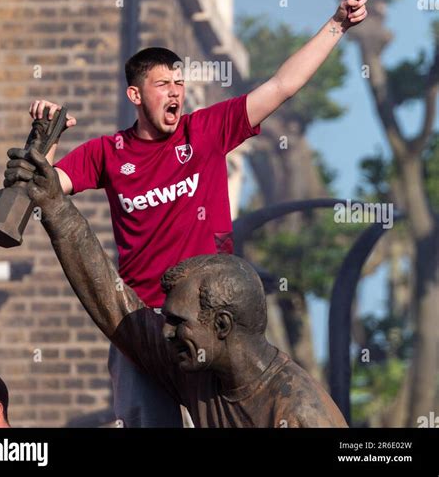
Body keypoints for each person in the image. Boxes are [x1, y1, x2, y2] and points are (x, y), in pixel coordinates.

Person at [4, 0, 368, 426]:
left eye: (179, 84)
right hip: (142, 323)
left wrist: (337, 25)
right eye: (163, 85)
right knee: (144, 421)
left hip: (210, 323)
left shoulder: (207, 130)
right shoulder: (107, 152)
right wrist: (45, 139)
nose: (175, 93)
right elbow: (44, 189)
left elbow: (281, 86)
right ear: (135, 95)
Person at [18, 147, 347, 428]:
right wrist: (55, 207)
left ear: (221, 325)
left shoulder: (299, 412)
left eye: (178, 322)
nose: (166, 332)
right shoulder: (200, 364)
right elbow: (114, 303)